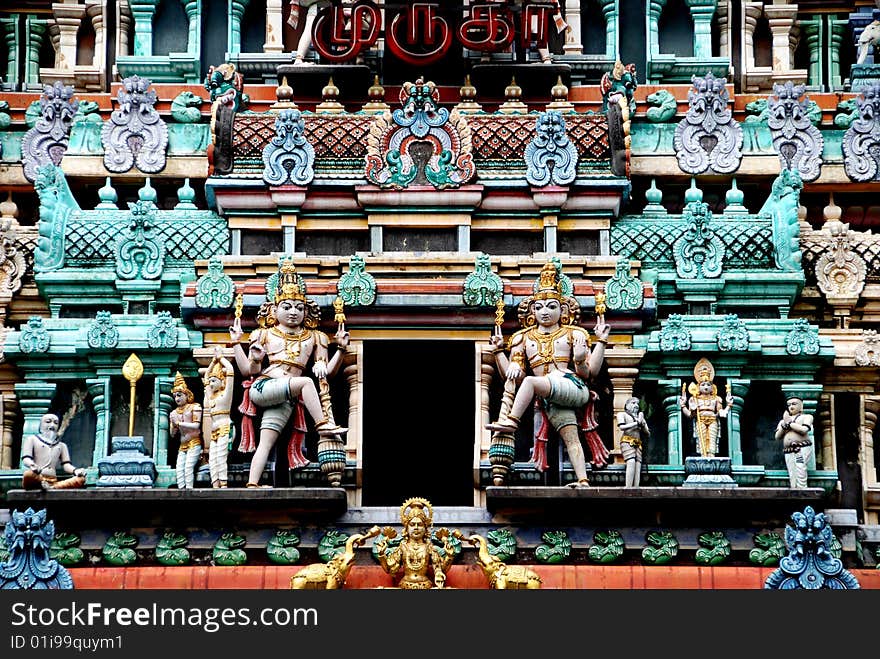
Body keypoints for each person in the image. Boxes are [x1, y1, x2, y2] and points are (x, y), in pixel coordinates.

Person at [486, 261, 610, 488]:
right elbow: (512, 380)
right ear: (532, 310)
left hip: (571, 386)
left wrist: (594, 346)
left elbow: (589, 373)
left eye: (552, 307)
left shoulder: (574, 333)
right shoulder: (522, 338)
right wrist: (499, 353)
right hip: (550, 398)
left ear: (563, 310)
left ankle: (512, 422)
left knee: (534, 382)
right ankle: (582, 480)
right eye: (540, 307)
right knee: (571, 437)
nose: (545, 312)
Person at [229, 258, 348, 488]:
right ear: (274, 309)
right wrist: (239, 345)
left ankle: (252, 484)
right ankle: (322, 424)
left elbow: (327, 374)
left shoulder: (315, 337)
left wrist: (341, 349)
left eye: (299, 307)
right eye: (287, 306)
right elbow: (248, 371)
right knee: (304, 383)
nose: (293, 312)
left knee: (267, 441)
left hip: (286, 397)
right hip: (264, 387)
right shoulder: (264, 334)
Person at [375, 497, 459, 589]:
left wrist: (449, 557)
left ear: (425, 528)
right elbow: (389, 570)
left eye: (420, 524)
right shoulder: (403, 547)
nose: (416, 528)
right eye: (412, 524)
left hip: (426, 586)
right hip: (405, 586)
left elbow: (440, 569)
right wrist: (382, 555)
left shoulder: (429, 547)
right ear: (406, 528)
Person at [680, 358, 733, 458]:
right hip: (700, 421)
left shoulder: (716, 399)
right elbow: (690, 415)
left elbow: (720, 412)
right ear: (698, 386)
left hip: (713, 420)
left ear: (712, 387)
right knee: (701, 440)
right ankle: (703, 457)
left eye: (708, 384)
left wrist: (728, 406)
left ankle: (711, 457)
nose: (706, 387)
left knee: (712, 439)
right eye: (703, 384)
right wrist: (683, 405)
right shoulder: (694, 399)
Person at [20, 413, 86, 490]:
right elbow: (26, 459)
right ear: (40, 425)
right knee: (28, 475)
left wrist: (76, 471)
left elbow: (66, 465)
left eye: (55, 423)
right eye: (48, 422)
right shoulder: (32, 439)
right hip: (38, 477)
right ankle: (43, 485)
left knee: (81, 479)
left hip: (53, 480)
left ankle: (51, 487)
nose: (52, 425)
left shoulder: (61, 445)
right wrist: (32, 465)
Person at [202, 347, 235, 489]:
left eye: (214, 380)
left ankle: (223, 485)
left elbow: (231, 370)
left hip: (225, 427)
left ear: (222, 381)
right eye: (211, 381)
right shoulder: (212, 396)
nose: (211, 383)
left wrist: (221, 359)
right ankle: (215, 485)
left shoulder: (225, 395)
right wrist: (212, 362)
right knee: (212, 458)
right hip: (214, 431)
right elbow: (205, 377)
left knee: (221, 458)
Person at [170, 373, 203, 490]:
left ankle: (189, 490)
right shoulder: (173, 413)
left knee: (188, 467)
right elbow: (172, 434)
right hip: (182, 444)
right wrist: (173, 425)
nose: (177, 399)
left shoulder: (195, 407)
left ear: (186, 394)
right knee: (179, 468)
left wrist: (179, 423)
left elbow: (196, 425)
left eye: (179, 395)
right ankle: (181, 491)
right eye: (174, 396)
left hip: (194, 442)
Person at [774, 396, 814, 489]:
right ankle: (794, 489)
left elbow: (804, 430)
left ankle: (802, 489)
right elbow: (777, 437)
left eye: (794, 404)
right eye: (789, 405)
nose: (791, 407)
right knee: (792, 471)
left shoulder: (807, 417)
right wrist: (784, 426)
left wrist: (790, 423)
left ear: (801, 406)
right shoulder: (783, 421)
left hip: (801, 448)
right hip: (788, 450)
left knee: (800, 467)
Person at [617, 396, 649, 487]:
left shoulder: (640, 417)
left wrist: (642, 424)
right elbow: (621, 427)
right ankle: (628, 487)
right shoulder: (622, 414)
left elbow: (647, 433)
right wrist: (636, 423)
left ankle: (636, 487)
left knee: (638, 465)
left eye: (637, 404)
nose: (636, 405)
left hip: (638, 444)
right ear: (627, 405)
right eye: (633, 403)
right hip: (627, 442)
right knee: (631, 462)